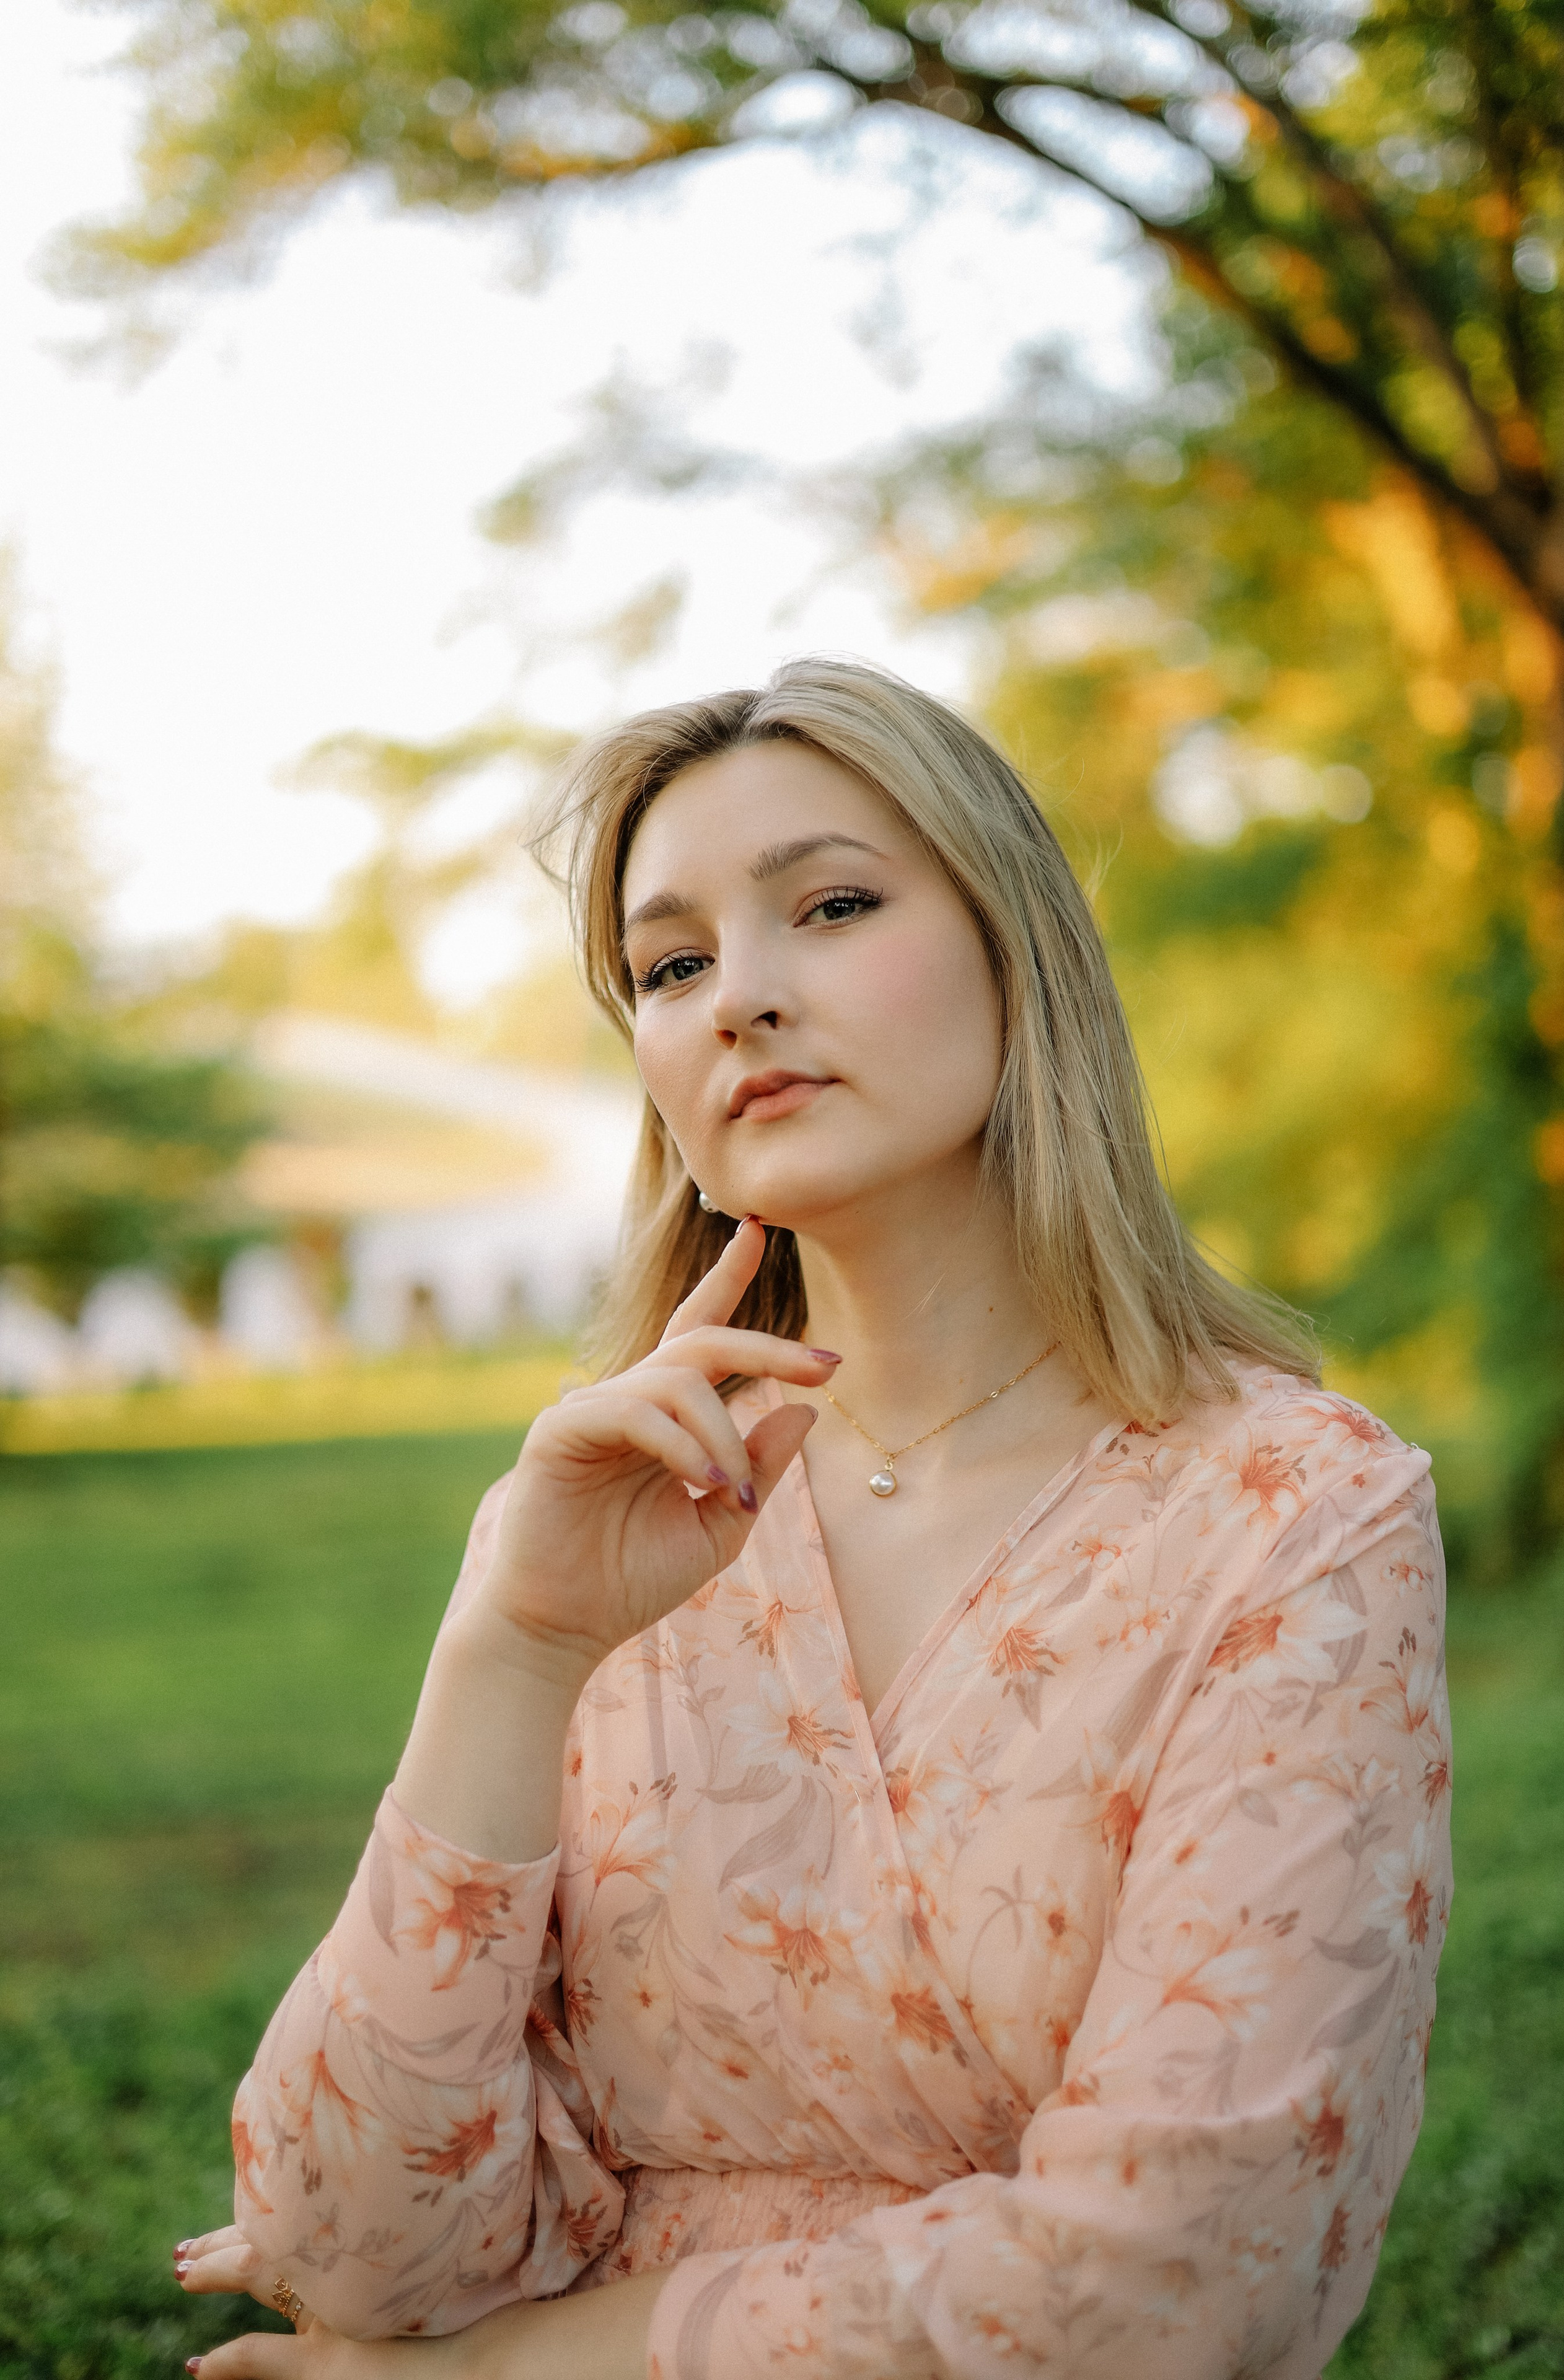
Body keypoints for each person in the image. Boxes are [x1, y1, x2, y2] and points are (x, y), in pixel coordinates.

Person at [174, 658, 1451, 2380]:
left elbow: (1177, 2276)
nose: (740, 998)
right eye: (674, 963)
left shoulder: (1299, 1514)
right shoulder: (625, 1510)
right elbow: (351, 2244)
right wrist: (515, 1644)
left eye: (831, 906)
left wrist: (488, 2377)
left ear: (1022, 957)